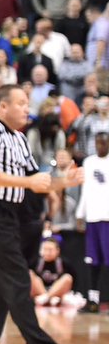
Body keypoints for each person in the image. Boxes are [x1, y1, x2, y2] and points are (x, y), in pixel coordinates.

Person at [0, 84, 82, 344]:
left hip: (9, 214)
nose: (27, 108)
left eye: (28, 103)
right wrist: (29, 182)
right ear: (3, 106)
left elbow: (37, 181)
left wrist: (65, 182)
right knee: (17, 278)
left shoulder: (19, 138)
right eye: (21, 103)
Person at [75, 131, 109, 314]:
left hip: (107, 219)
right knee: (92, 261)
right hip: (92, 218)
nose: (100, 146)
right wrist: (80, 214)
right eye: (98, 143)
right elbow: (85, 190)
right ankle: (93, 301)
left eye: (104, 143)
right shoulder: (88, 162)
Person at [31, 236, 73, 306]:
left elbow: (70, 282)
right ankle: (47, 298)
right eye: (45, 249)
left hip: (56, 292)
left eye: (50, 250)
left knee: (68, 278)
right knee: (29, 273)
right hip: (40, 293)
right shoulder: (36, 262)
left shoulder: (64, 263)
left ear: (57, 251)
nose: (47, 252)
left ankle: (47, 297)